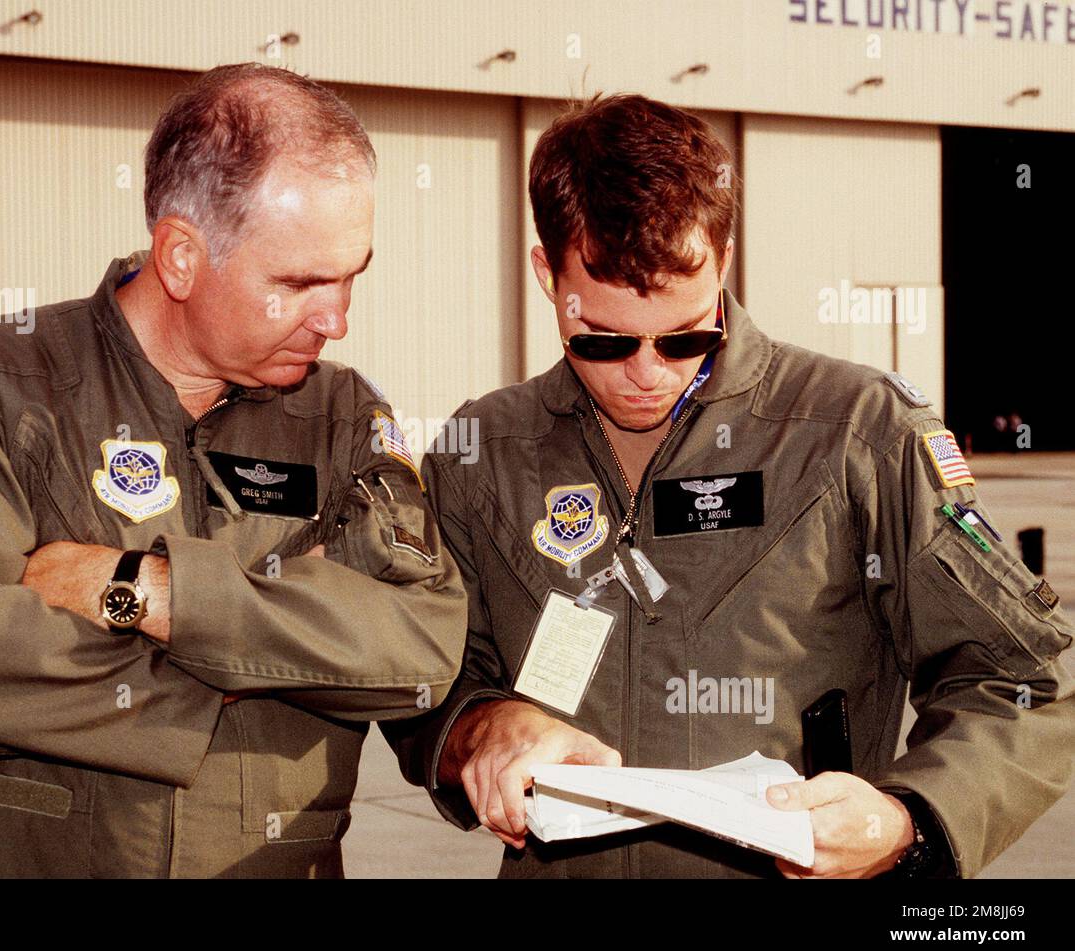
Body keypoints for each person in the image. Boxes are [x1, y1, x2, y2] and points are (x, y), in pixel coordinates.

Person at [382, 93, 1075, 878]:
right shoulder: (482, 455)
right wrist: (481, 728)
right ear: (548, 273)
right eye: (604, 340)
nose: (646, 375)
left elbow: (1021, 676)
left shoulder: (858, 434)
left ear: (725, 257)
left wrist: (905, 817)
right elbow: (418, 676)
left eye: (684, 335)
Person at [0, 63, 466, 878]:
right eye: (298, 283)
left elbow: (420, 648)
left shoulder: (341, 418)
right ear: (180, 256)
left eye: (353, 273)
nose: (338, 319)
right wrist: (275, 656)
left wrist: (151, 594)